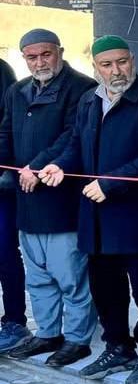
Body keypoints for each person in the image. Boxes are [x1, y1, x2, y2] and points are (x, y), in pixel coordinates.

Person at [39, 36, 138, 384]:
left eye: (122, 62)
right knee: (106, 289)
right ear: (96, 67)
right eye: (107, 65)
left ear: (133, 61)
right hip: (96, 217)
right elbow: (75, 144)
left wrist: (110, 184)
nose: (116, 71)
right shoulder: (89, 100)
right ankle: (118, 346)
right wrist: (59, 165)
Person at [0, 30, 96, 365]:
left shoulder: (81, 87)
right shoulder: (17, 91)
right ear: (24, 58)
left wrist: (37, 167)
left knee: (69, 275)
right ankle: (47, 332)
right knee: (38, 277)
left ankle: (78, 339)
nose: (40, 62)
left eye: (46, 54)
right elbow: (5, 133)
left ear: (60, 52)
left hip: (61, 199)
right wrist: (8, 165)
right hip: (26, 199)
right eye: (32, 57)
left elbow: (73, 136)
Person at [0, 57, 28, 355]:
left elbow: (8, 127)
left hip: (2, 184)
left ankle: (15, 322)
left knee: (5, 251)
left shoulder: (0, 70)